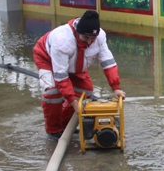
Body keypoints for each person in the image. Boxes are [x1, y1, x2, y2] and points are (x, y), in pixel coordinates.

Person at [33, 10, 126, 139]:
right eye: (86, 38)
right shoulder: (62, 40)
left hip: (75, 62)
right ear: (78, 32)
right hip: (47, 59)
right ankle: (54, 130)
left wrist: (116, 87)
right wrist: (73, 102)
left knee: (85, 91)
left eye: (92, 38)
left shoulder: (100, 38)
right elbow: (61, 76)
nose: (89, 42)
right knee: (52, 92)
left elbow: (108, 62)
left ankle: (66, 126)